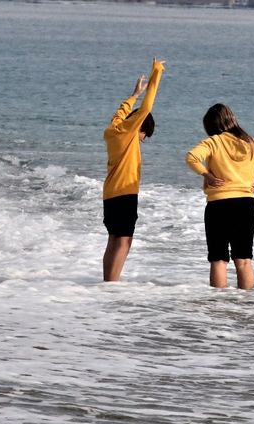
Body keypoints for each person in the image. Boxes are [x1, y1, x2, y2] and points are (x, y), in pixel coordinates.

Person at [185, 104, 254, 289]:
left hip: (219, 204)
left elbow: (191, 157)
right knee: (244, 259)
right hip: (245, 204)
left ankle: (219, 308)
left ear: (212, 126)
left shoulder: (213, 142)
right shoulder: (253, 143)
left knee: (218, 259)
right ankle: (244, 308)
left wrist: (207, 175)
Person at [102, 58, 165, 281]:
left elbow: (121, 112)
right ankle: (113, 282)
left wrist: (134, 94)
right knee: (125, 241)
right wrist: (156, 73)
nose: (142, 139)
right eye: (144, 136)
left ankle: (107, 282)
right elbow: (146, 109)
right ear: (141, 129)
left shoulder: (113, 130)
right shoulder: (129, 133)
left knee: (112, 239)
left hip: (109, 194)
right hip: (125, 194)